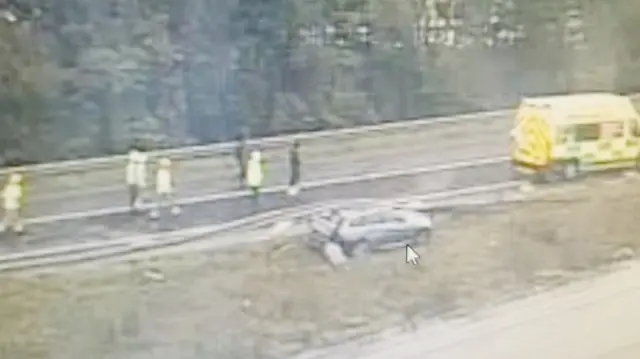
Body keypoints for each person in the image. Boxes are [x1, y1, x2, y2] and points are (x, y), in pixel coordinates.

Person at [125, 148, 148, 212]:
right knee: (136, 194)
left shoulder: (131, 165)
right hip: (135, 182)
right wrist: (142, 183)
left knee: (134, 194)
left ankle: (133, 206)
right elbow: (139, 175)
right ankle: (136, 205)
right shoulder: (137, 166)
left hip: (132, 182)